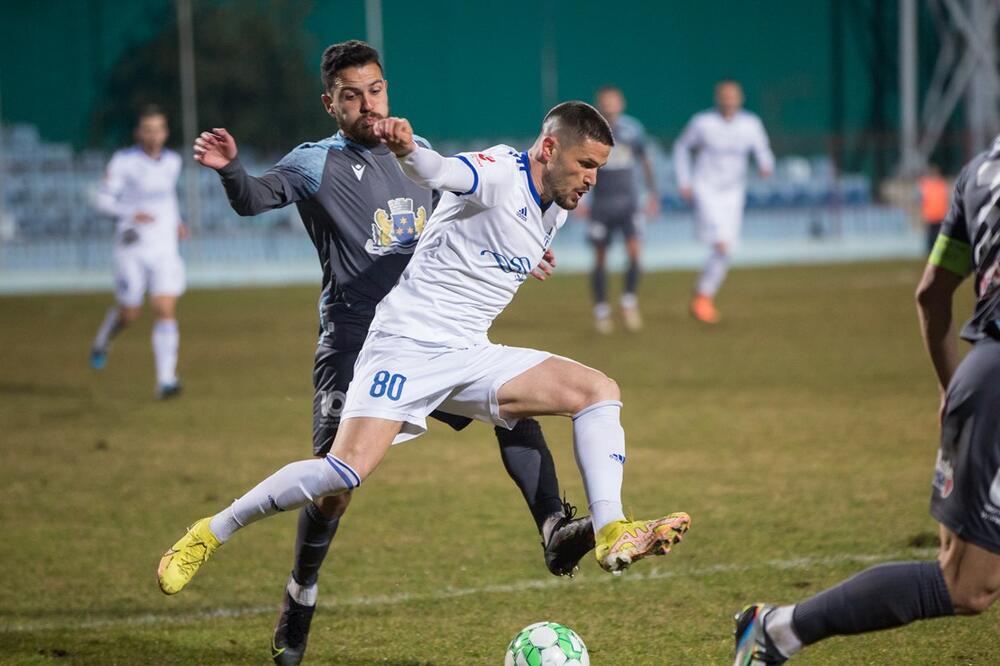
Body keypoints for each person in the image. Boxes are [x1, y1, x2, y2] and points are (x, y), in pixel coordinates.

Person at [158, 102, 692, 619]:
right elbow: (440, 172)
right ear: (550, 148)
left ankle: (610, 530)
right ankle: (211, 531)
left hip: (469, 351)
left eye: (598, 168)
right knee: (344, 471)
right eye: (586, 165)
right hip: (405, 345)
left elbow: (484, 234)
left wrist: (527, 253)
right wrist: (410, 149)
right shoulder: (500, 170)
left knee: (598, 390)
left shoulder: (555, 201)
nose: (592, 179)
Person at [187, 41, 592, 666]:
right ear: (331, 103)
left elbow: (462, 218)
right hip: (355, 338)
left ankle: (554, 530)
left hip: (431, 330)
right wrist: (229, 170)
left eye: (375, 89)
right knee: (335, 488)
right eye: (351, 95)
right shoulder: (314, 162)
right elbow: (253, 199)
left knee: (513, 405)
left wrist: (524, 243)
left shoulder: (412, 155)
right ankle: (301, 592)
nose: (368, 104)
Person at [732, 135, 1000, 665]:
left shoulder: (979, 172)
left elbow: (931, 295)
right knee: (966, 583)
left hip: (983, 377)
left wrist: (953, 389)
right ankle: (779, 629)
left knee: (963, 579)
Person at [89, 106, 186, 398]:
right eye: (148, 129)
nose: (154, 135)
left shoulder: (173, 162)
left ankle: (166, 380)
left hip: (164, 247)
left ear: (165, 133)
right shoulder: (124, 162)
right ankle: (105, 337)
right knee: (129, 313)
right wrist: (131, 212)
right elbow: (102, 201)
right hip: (132, 247)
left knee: (165, 309)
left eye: (159, 129)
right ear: (138, 133)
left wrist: (178, 222)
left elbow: (167, 197)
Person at [673, 79, 773, 324]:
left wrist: (765, 165)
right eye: (725, 97)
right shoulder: (703, 122)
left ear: (740, 99)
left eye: (733, 97)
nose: (729, 101)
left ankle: (703, 296)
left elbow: (762, 149)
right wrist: (684, 180)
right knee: (721, 243)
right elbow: (681, 147)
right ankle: (703, 298)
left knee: (726, 249)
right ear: (718, 99)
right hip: (706, 188)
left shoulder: (751, 123)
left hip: (734, 193)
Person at [577, 85, 659, 333]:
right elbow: (577, 164)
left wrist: (652, 194)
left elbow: (645, 161)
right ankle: (602, 311)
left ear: (621, 103)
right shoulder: (587, 132)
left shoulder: (633, 130)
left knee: (635, 254)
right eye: (605, 102)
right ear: (598, 105)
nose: (609, 106)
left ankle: (628, 303)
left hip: (629, 203)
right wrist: (578, 199)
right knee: (600, 258)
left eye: (613, 102)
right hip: (601, 204)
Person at [919, 164, 950, 255]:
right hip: (930, 216)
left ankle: (940, 254)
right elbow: (922, 200)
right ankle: (930, 254)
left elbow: (945, 200)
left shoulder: (942, 184)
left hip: (940, 216)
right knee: (930, 238)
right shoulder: (926, 185)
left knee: (940, 237)